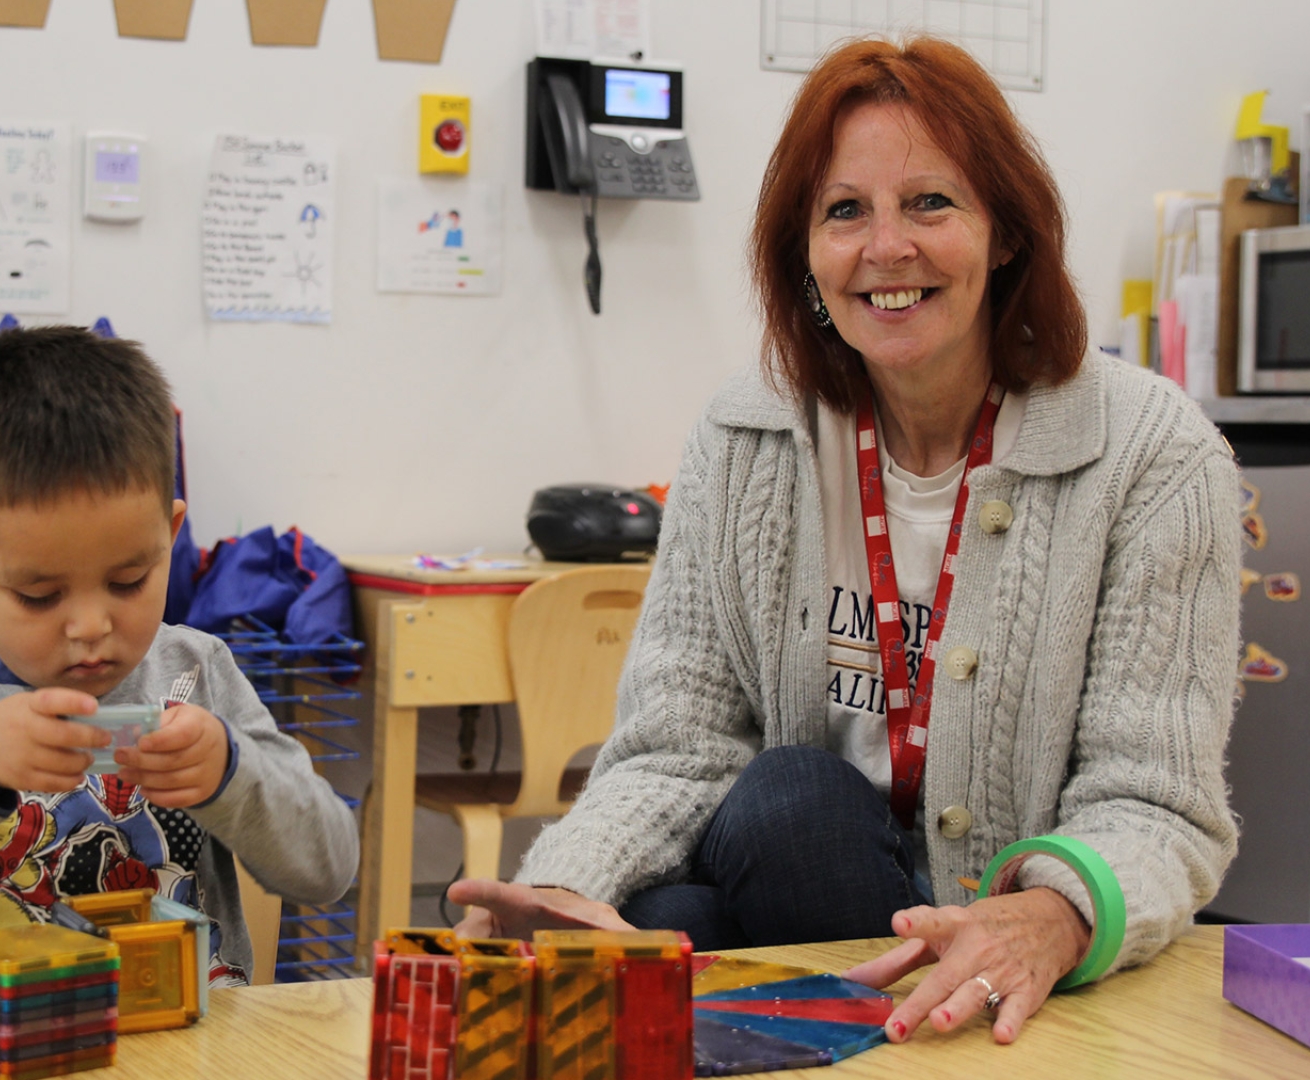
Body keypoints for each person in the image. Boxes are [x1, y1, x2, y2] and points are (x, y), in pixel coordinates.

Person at [451, 36, 1239, 1047]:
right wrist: (563, 885)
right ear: (806, 256)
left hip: (1007, 923)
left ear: (1005, 235)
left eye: (931, 204)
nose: (886, 248)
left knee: (744, 859)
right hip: (799, 880)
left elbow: (1158, 803)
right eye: (844, 212)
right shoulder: (744, 438)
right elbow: (675, 746)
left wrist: (1049, 918)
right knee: (697, 884)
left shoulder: (1151, 454)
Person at [0, 327, 357, 1016]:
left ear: (171, 537)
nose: (90, 626)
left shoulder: (198, 669)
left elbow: (328, 868)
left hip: (184, 1058)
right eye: (40, 596)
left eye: (128, 579)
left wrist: (232, 774)